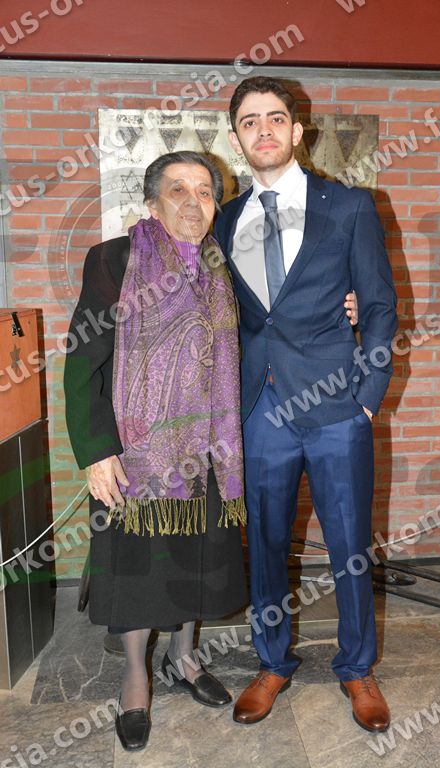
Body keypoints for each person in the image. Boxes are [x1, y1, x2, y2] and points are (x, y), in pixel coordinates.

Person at [214, 76, 397, 733]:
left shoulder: (348, 206)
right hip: (260, 409)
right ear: (236, 138)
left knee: (349, 545)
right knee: (264, 544)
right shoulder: (224, 219)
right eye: (249, 121)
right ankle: (272, 663)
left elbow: (379, 306)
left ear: (296, 131)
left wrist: (367, 400)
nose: (262, 130)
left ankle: (357, 667)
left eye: (274, 118)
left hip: (336, 407)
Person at [64, 151, 248, 752]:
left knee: (197, 559)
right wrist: (97, 452)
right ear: (151, 203)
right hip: (136, 456)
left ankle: (185, 657)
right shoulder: (114, 260)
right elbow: (82, 363)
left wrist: (345, 308)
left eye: (205, 191)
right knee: (137, 570)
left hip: (209, 449)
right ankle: (136, 676)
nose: (193, 202)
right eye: (178, 190)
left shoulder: (223, 268)